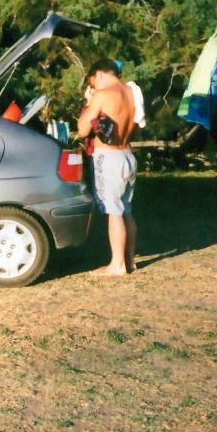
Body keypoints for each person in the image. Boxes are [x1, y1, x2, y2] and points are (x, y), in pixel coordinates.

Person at [77, 59, 139, 276]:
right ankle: (130, 261)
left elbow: (83, 129)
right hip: (128, 155)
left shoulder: (102, 95)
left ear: (99, 75)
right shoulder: (132, 92)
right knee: (126, 210)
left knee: (113, 212)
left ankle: (117, 265)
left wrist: (89, 103)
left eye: (92, 82)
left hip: (109, 157)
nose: (93, 86)